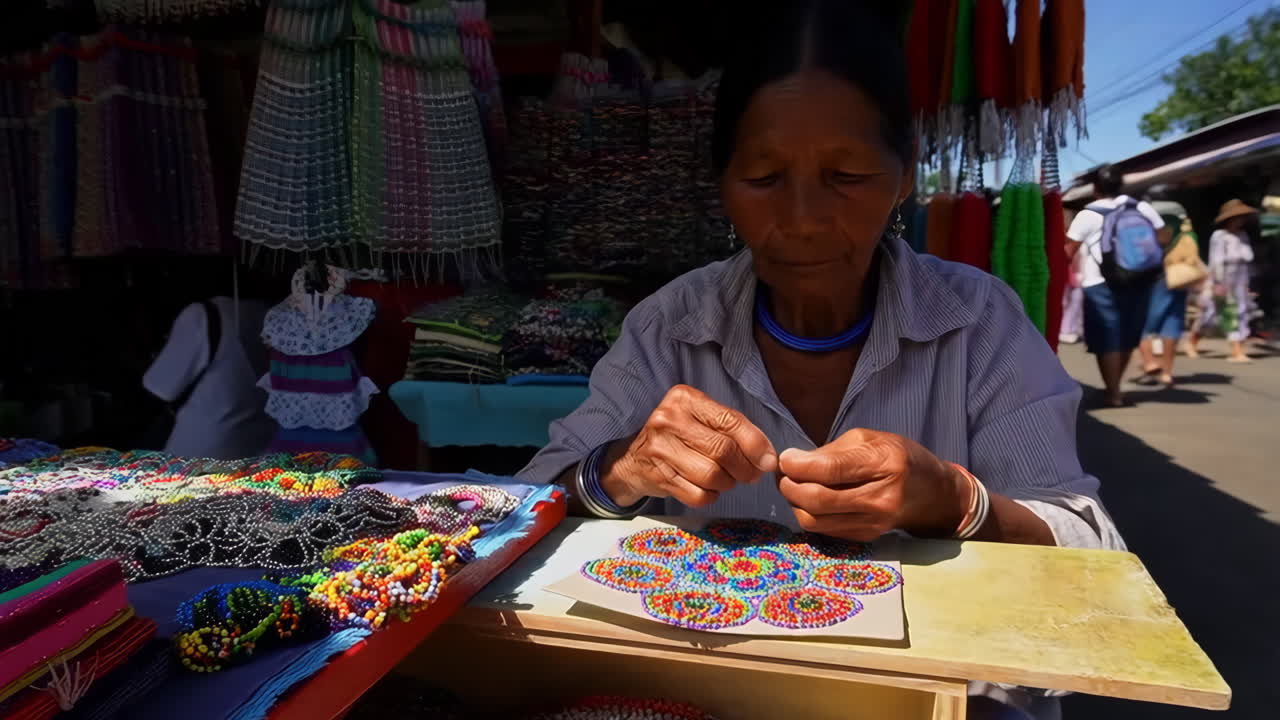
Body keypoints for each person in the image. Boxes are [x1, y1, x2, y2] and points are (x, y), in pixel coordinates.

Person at [519, 3, 1121, 717]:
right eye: (765, 178)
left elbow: (1093, 558)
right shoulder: (669, 327)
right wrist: (616, 469)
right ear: (722, 184)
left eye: (845, 174)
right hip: (712, 694)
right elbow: (524, 506)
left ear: (903, 177)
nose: (803, 217)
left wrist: (957, 502)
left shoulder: (978, 323)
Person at [1064, 165, 1165, 407]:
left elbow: (1068, 250)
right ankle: (1115, 387)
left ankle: (1114, 392)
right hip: (1140, 279)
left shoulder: (1089, 214)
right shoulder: (1140, 207)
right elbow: (1163, 236)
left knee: (1107, 337)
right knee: (1128, 334)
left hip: (1100, 282)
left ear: (1096, 188)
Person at [143, 292, 274, 459]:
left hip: (196, 455)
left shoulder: (202, 315)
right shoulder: (276, 314)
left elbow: (159, 389)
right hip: (259, 453)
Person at [1184, 199, 1258, 363]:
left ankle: (1237, 350)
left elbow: (1247, 261)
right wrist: (1218, 283)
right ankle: (1193, 341)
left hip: (1240, 280)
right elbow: (1216, 261)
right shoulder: (1219, 236)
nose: (1241, 220)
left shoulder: (1243, 236)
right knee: (1211, 315)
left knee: (1239, 312)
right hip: (1223, 280)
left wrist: (1249, 284)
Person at [1134, 215, 1196, 387]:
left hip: (1154, 283)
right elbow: (1192, 260)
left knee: (1144, 325)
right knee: (1171, 327)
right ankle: (1167, 373)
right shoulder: (1184, 238)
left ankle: (1150, 362)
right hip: (1178, 284)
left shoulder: (1147, 235)